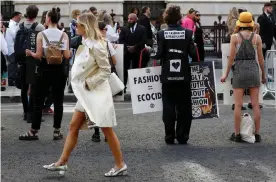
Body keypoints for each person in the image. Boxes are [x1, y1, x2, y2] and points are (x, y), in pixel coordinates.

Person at [42, 13, 127, 177]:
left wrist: (89, 83)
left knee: (107, 130)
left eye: (78, 25)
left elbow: (106, 70)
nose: (75, 27)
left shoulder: (97, 45)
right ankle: (62, 162)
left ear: (85, 27)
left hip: (97, 94)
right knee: (74, 126)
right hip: (87, 94)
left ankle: (120, 164)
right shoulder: (86, 42)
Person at [19, 7, 70, 140]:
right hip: (59, 71)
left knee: (38, 100)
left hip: (44, 70)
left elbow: (38, 55)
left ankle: (34, 131)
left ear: (47, 19)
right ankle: (57, 131)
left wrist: (30, 53)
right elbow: (67, 55)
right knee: (58, 101)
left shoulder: (41, 35)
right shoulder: (64, 35)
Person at [152, 5, 196, 145]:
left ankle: (169, 136)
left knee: (168, 106)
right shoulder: (188, 33)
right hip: (183, 74)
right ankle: (182, 136)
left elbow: (158, 55)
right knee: (184, 106)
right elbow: (194, 54)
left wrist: (149, 52)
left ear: (166, 18)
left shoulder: (161, 34)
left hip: (167, 75)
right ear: (179, 18)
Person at [221, 12, 266, 142]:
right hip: (253, 69)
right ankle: (257, 134)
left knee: (238, 105)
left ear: (239, 23)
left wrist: (225, 74)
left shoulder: (234, 37)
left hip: (239, 70)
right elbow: (261, 59)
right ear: (251, 24)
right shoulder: (257, 38)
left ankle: (237, 134)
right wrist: (263, 74)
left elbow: (231, 59)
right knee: (256, 104)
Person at [119, 13, 146, 91]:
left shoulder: (142, 28)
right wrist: (127, 47)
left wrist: (135, 47)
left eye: (131, 19)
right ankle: (123, 87)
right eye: (128, 19)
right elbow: (121, 40)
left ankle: (136, 88)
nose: (129, 20)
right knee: (125, 70)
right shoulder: (124, 28)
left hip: (137, 52)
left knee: (136, 70)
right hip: (126, 52)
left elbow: (143, 40)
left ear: (135, 19)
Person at [5, 11, 22, 86]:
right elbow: (15, 35)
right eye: (19, 17)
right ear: (15, 16)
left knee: (14, 64)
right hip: (11, 48)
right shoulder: (11, 24)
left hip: (14, 48)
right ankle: (10, 80)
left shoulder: (15, 24)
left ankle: (13, 79)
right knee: (12, 64)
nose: (20, 18)